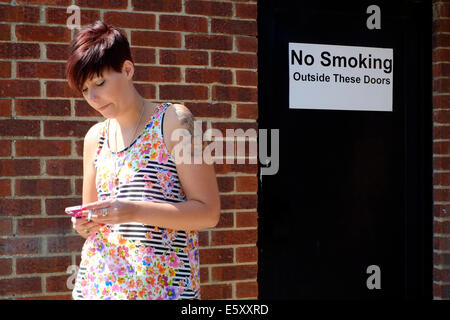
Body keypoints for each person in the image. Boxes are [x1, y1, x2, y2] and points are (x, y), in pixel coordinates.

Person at [65, 20, 220, 300]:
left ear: (127, 69)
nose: (93, 97)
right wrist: (84, 224)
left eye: (99, 82)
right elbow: (93, 219)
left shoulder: (174, 121)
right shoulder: (94, 137)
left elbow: (208, 213)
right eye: (85, 89)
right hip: (99, 288)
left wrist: (134, 210)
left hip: (164, 289)